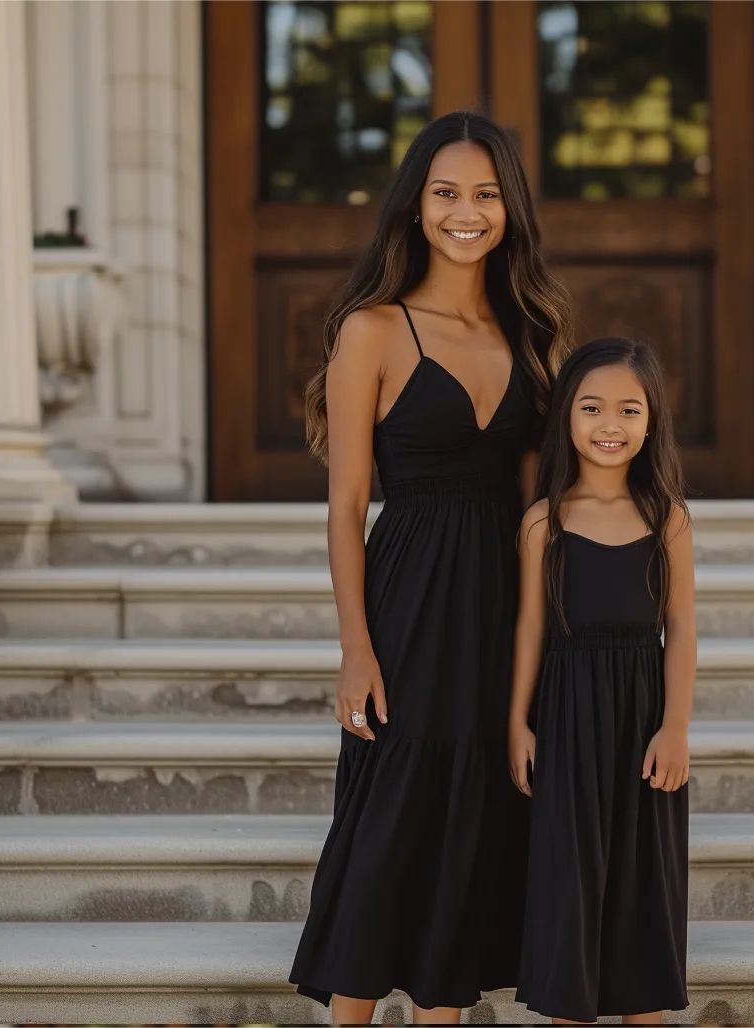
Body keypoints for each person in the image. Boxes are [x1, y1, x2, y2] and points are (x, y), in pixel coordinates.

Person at [289, 110, 572, 1024]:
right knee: (393, 822)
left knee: (475, 819)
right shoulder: (372, 330)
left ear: (510, 209)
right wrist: (354, 649)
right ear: (415, 207)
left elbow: (542, 507)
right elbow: (343, 509)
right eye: (446, 193)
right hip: (408, 597)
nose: (466, 211)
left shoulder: (532, 332)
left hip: (502, 601)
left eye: (486, 194)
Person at [508, 337, 695, 1024]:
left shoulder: (668, 519)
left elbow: (682, 630)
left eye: (627, 410)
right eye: (591, 408)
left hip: (643, 717)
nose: (609, 425)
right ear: (566, 417)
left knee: (644, 882)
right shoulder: (543, 522)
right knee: (572, 884)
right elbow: (529, 628)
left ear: (652, 423)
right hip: (565, 717)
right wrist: (517, 723)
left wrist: (675, 728)